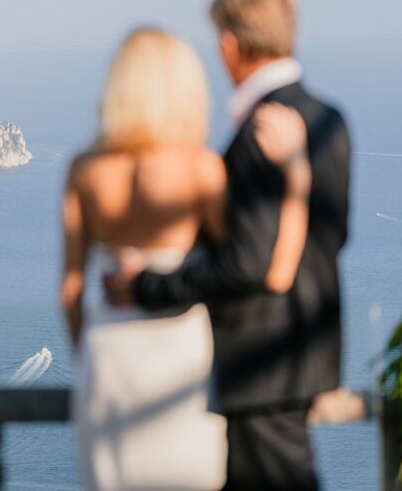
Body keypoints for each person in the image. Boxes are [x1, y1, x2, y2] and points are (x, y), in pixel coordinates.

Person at [104, 0, 351, 491]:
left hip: (262, 362)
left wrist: (148, 285)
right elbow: (335, 236)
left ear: (229, 45)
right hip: (308, 350)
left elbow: (249, 264)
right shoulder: (330, 120)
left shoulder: (263, 132)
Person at [62, 27, 313, 491]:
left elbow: (71, 292)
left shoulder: (84, 171)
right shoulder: (200, 170)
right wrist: (296, 177)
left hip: (107, 362)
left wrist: (93, 360)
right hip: (180, 363)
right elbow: (245, 265)